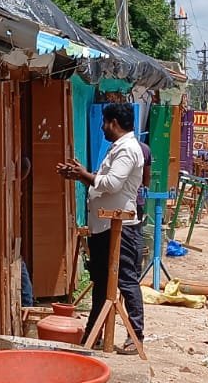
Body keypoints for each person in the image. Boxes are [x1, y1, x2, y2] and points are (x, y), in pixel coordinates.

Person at [57, 103, 146, 355]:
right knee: (101, 283)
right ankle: (93, 334)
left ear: (114, 123)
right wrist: (80, 175)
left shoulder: (128, 149)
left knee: (126, 281)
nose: (102, 127)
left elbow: (111, 184)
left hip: (120, 228)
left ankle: (135, 335)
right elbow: (102, 182)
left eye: (105, 122)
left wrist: (83, 174)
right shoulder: (119, 148)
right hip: (103, 227)